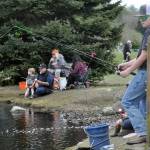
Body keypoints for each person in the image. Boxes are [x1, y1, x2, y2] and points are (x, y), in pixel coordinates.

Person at [117, 9, 150, 145]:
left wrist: (127, 71)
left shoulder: (149, 32)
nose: (141, 20)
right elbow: (141, 57)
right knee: (141, 101)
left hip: (145, 73)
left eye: (144, 17)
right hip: (146, 71)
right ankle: (143, 130)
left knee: (127, 102)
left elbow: (144, 56)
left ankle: (142, 133)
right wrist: (126, 64)